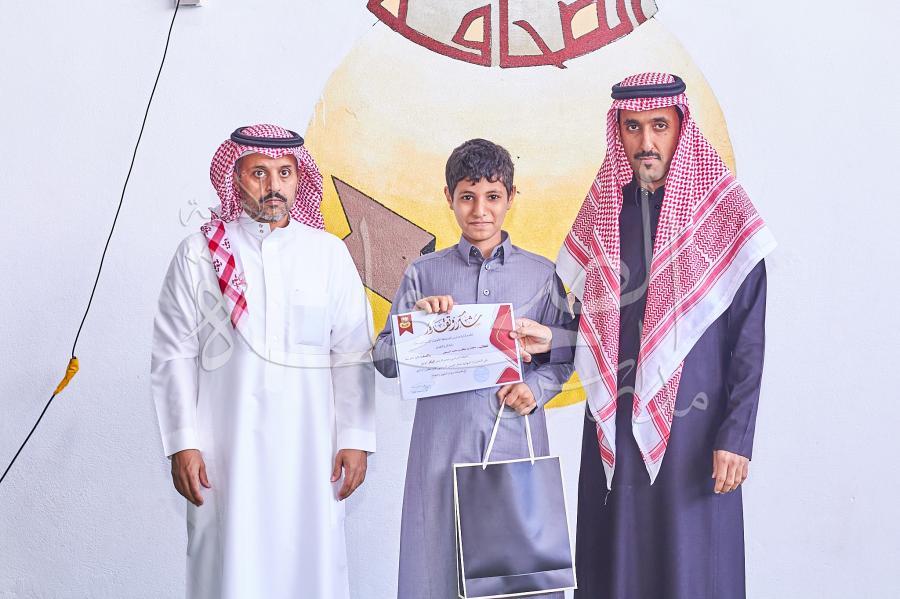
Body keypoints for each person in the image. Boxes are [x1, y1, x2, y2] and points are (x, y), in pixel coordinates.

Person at [517, 73, 776, 598]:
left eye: (659, 125)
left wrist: (735, 437)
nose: (646, 142)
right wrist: (553, 340)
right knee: (617, 567)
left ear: (682, 126)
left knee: (692, 568)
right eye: (632, 128)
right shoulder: (604, 215)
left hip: (696, 434)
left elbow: (748, 341)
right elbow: (593, 327)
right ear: (618, 134)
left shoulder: (723, 218)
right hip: (613, 428)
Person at [150, 124, 376, 599]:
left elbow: (352, 353)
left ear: (299, 179)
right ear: (236, 178)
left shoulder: (328, 254)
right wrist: (182, 443)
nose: (273, 185)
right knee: (231, 567)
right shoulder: (199, 254)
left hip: (311, 449)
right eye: (259, 173)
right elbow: (173, 354)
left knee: (310, 567)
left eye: (285, 173)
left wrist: (355, 438)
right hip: (225, 450)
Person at [373, 138, 574, 599]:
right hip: (441, 449)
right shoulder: (423, 274)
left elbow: (566, 351)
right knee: (436, 570)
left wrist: (538, 389)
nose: (480, 210)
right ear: (449, 197)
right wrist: (417, 326)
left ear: (511, 197)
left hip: (514, 445)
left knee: (517, 581)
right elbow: (383, 359)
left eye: (492, 196)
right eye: (467, 196)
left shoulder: (541, 274)